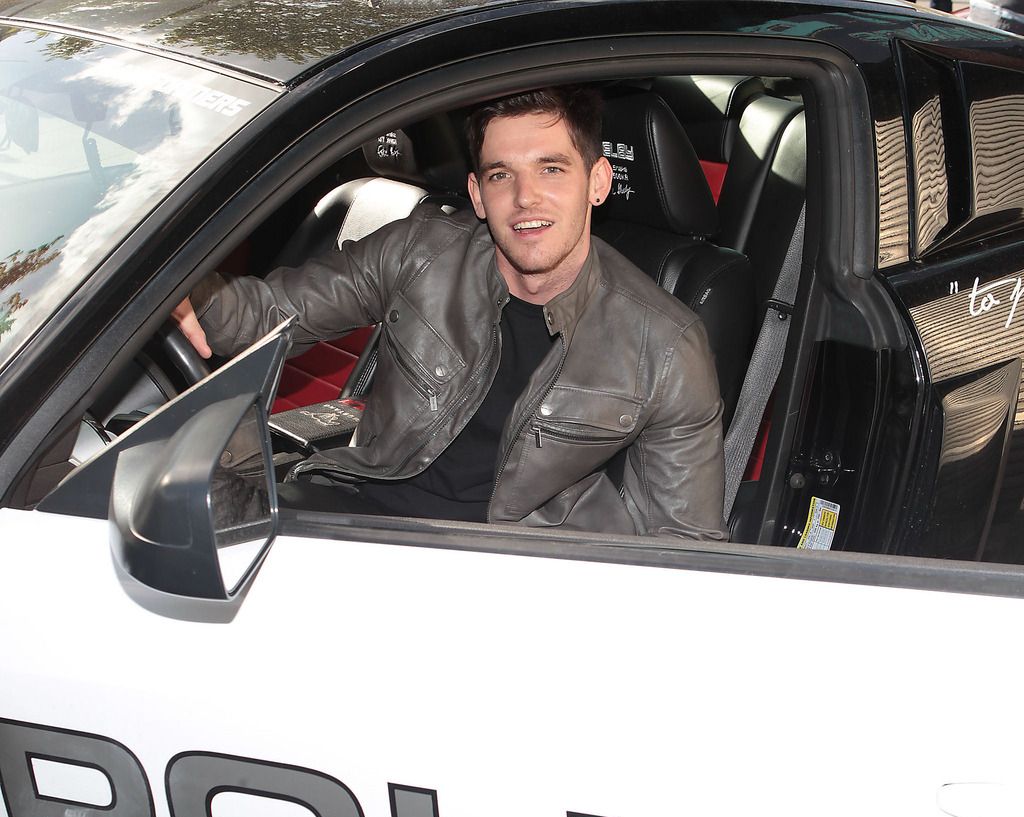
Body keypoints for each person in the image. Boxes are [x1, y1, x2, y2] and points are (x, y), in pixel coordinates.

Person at [173, 86, 727, 541]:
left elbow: (687, 542)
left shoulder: (666, 346)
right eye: (501, 175)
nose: (526, 197)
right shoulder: (420, 252)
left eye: (552, 169)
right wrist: (185, 292)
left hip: (511, 567)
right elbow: (266, 312)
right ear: (477, 195)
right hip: (360, 511)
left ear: (599, 182)